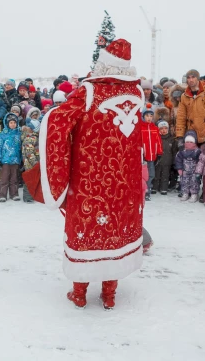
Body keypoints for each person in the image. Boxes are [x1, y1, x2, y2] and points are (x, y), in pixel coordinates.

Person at [28, 39, 144, 310]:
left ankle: (79, 293)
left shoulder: (89, 91)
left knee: (88, 228)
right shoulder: (137, 93)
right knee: (116, 229)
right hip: (124, 179)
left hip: (90, 179)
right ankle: (110, 294)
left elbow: (58, 122)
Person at [175, 69, 205, 147]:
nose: (191, 80)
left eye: (193, 77)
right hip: (192, 135)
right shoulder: (184, 96)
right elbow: (181, 117)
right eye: (188, 78)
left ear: (198, 78)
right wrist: (180, 136)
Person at [0, 113, 22, 202]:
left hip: (15, 160)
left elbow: (21, 148)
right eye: (11, 123)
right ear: (7, 124)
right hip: (5, 160)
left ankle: (14, 194)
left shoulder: (19, 134)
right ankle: (2, 194)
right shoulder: (2, 135)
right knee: (4, 178)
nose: (13, 124)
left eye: (14, 123)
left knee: (14, 178)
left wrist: (21, 159)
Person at [141, 103, 162, 200]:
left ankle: (147, 189)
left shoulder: (155, 128)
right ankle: (144, 191)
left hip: (152, 156)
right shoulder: (140, 128)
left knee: (151, 174)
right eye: (147, 116)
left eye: (151, 116)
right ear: (143, 116)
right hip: (143, 157)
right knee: (143, 175)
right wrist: (140, 153)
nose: (149, 118)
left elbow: (158, 142)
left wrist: (159, 153)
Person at [175, 131, 201, 202]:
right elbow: (178, 160)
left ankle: (194, 194)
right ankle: (185, 193)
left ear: (195, 142)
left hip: (194, 171)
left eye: (191, 142)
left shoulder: (197, 151)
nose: (189, 143)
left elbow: (200, 161)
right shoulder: (182, 151)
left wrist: (199, 170)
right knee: (184, 182)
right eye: (187, 141)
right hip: (184, 170)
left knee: (194, 182)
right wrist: (179, 168)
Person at [153, 121, 176, 195]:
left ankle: (163, 188)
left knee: (165, 175)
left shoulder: (171, 139)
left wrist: (173, 161)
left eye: (165, 128)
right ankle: (154, 187)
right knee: (156, 175)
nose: (164, 130)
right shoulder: (156, 137)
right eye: (161, 128)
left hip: (167, 161)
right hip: (158, 160)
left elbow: (174, 151)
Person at [21, 120, 40, 203]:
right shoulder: (30, 138)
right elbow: (29, 152)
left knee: (34, 179)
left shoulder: (35, 137)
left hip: (34, 163)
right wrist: (35, 162)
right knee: (29, 180)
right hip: (30, 164)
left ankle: (33, 195)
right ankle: (28, 197)